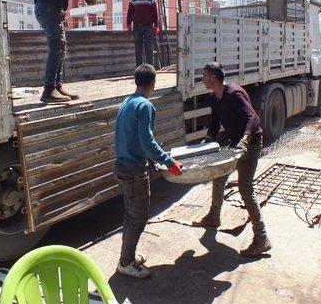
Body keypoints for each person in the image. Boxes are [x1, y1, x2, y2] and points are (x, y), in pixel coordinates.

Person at [192, 62, 271, 257]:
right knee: (219, 177)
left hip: (250, 144)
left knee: (245, 189)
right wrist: (209, 138)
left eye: (205, 75)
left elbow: (253, 119)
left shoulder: (234, 94)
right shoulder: (214, 97)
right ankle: (214, 216)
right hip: (235, 143)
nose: (202, 79)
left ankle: (262, 238)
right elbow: (215, 123)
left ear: (215, 78)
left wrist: (244, 140)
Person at [114, 64, 183, 278]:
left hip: (123, 166)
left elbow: (129, 137)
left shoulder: (127, 101)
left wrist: (149, 159)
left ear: (136, 81)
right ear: (154, 83)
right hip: (134, 171)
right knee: (139, 218)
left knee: (130, 215)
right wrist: (168, 161)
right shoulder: (145, 106)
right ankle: (126, 263)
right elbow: (147, 141)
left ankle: (126, 256)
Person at [126, 0, 159, 67]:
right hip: (137, 27)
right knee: (138, 49)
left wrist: (156, 27)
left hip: (148, 27)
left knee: (149, 49)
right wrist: (128, 25)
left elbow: (155, 14)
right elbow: (129, 13)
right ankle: (139, 71)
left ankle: (150, 71)